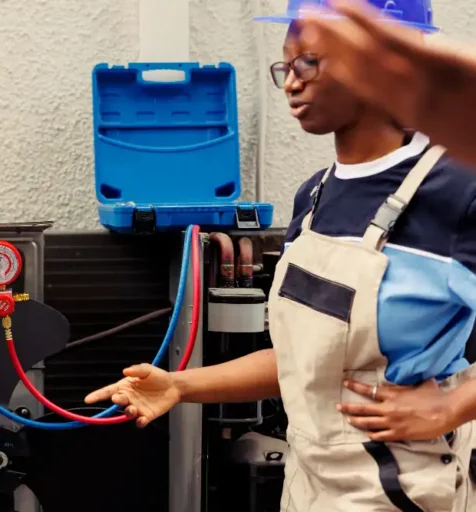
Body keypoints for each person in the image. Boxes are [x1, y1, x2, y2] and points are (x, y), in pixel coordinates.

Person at [86, 1, 476, 510]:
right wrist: (180, 386)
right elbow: (304, 361)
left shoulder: (456, 192)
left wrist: (452, 406)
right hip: (309, 489)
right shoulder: (314, 198)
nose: (291, 82)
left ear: (379, 61)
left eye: (309, 62)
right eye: (285, 66)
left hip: (405, 493)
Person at [297, 0, 476, 167]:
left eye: (310, 63)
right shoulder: (311, 193)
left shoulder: (455, 187)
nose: (292, 84)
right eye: (290, 66)